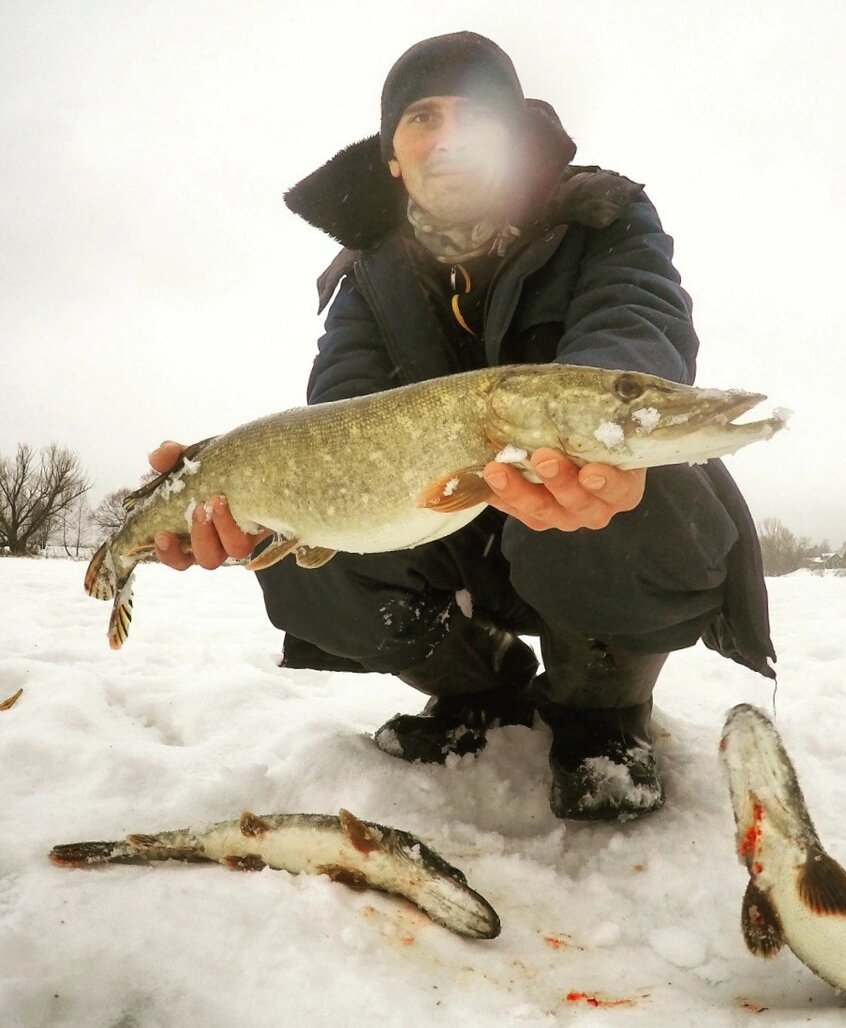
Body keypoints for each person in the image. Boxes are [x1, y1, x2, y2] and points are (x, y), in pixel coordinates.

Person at [150, 31, 775, 822]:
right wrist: (239, 507)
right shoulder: (363, 281)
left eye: (475, 115)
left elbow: (637, 318)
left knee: (619, 469)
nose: (447, 138)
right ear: (392, 153)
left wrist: (609, 421)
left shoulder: (602, 214)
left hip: (579, 536)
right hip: (446, 538)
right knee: (313, 550)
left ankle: (600, 710)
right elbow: (340, 414)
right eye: (421, 117)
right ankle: (479, 685)